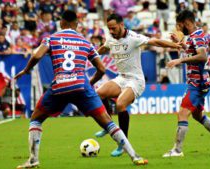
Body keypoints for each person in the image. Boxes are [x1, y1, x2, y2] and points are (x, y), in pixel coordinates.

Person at [15, 10, 148, 169]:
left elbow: (37, 56)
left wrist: (27, 70)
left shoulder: (51, 38)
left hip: (60, 85)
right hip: (81, 86)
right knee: (108, 122)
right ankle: (135, 156)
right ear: (77, 25)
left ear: (61, 23)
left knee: (36, 119)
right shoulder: (85, 42)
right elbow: (102, 69)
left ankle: (33, 160)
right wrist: (90, 83)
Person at [93, 13, 181, 157]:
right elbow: (104, 47)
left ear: (122, 25)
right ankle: (107, 124)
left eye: (114, 28)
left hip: (136, 80)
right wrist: (92, 54)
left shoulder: (133, 38)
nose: (111, 31)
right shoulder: (111, 39)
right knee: (99, 93)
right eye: (109, 28)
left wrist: (175, 45)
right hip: (122, 78)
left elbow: (155, 42)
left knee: (120, 104)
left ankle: (123, 144)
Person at [162, 10, 210, 157]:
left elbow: (202, 56)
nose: (179, 28)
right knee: (198, 115)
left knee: (182, 113)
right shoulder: (196, 36)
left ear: (187, 23)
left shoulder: (198, 36)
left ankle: (177, 150)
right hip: (198, 81)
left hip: (197, 82)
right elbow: (194, 51)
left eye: (180, 25)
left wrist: (180, 60)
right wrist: (182, 45)